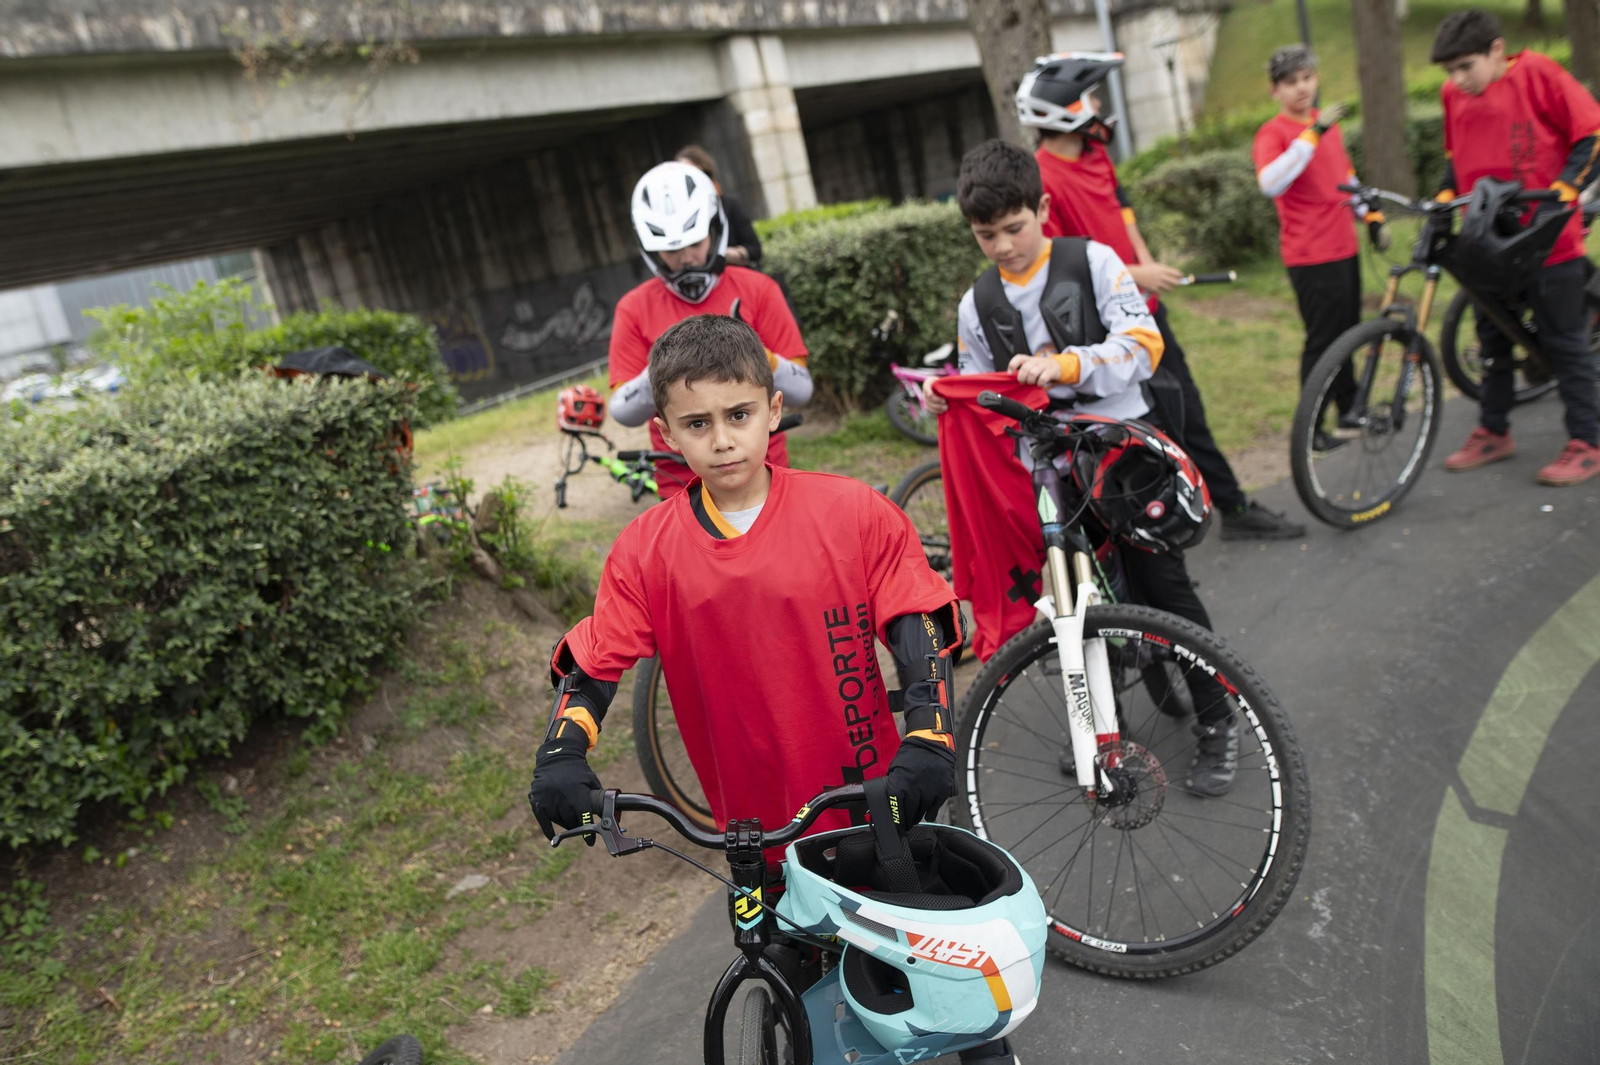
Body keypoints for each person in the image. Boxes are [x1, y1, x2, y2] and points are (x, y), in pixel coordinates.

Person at [527, 315, 1026, 1064]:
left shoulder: (850, 511)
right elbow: (596, 660)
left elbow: (915, 620)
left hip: (877, 803)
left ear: (771, 408)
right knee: (793, 991)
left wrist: (928, 736)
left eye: (738, 415)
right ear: (665, 432)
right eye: (698, 423)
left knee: (949, 996)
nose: (723, 438)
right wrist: (562, 753)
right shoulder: (646, 552)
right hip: (752, 833)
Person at [924, 138, 1242, 797]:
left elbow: (1143, 345)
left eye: (1015, 228)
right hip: (1052, 469)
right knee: (1075, 599)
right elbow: (978, 383)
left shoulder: (1093, 262)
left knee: (1165, 587)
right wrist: (943, 394)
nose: (1005, 245)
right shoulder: (976, 305)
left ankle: (1220, 720)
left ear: (1042, 208)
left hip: (1125, 451)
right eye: (987, 236)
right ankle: (1103, 726)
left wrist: (1066, 365)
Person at [1011, 52, 1307, 540]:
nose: (1099, 105)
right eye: (1090, 96)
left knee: (1186, 411)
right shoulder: (1043, 179)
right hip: (1101, 333)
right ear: (1062, 110)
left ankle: (1229, 509)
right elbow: (1058, 266)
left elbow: (1123, 212)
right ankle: (1145, 527)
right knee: (1128, 434)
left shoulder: (1094, 152)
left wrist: (1146, 271)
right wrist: (1135, 274)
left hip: (1145, 313)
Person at [1430, 9, 1600, 485]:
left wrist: (1566, 190)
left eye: (1466, 66)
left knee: (1566, 343)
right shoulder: (1452, 96)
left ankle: (1587, 441)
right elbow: (1454, 158)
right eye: (1450, 71)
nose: (1458, 80)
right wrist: (1445, 197)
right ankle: (1494, 430)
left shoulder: (1540, 74)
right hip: (1488, 242)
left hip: (1548, 238)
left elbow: (1591, 135)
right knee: (1492, 339)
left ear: (1497, 51)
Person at [607, 160, 812, 496]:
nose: (686, 257)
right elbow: (623, 410)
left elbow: (802, 391)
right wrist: (666, 365)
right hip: (679, 481)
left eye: (695, 242)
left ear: (715, 229)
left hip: (766, 473)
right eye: (671, 249)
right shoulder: (633, 308)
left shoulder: (758, 289)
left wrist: (755, 354)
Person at [1253, 45, 1391, 451]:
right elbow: (1270, 182)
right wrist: (1312, 134)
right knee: (1323, 340)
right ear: (1275, 90)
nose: (1302, 88)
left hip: (1342, 246)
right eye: (1291, 82)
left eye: (1307, 78)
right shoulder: (1275, 132)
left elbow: (1343, 176)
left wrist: (1371, 215)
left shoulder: (1322, 126)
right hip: (1310, 255)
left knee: (1347, 334)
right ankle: (1311, 427)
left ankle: (1350, 410)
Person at [676, 144, 763, 268]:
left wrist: (722, 254)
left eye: (694, 173)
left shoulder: (728, 205)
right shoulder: (679, 214)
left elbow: (755, 250)